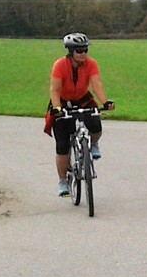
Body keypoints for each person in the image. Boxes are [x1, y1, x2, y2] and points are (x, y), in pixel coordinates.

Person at [46, 32, 113, 197]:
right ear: (71, 52)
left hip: (82, 99)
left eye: (85, 50)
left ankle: (93, 144)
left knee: (95, 124)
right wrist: (57, 108)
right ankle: (63, 181)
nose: (83, 54)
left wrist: (105, 102)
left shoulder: (91, 64)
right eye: (79, 50)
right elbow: (55, 89)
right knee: (62, 145)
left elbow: (96, 84)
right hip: (62, 101)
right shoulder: (60, 65)